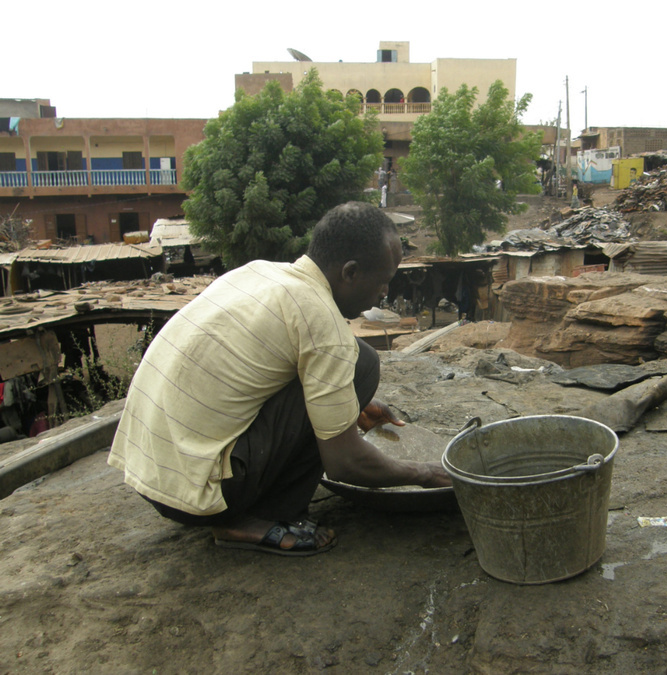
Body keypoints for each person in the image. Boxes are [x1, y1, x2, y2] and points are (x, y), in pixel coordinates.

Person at [108, 202, 450, 556]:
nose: (384, 294)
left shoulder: (260, 272)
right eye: (382, 282)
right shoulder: (320, 320)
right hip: (205, 496)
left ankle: (240, 500)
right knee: (360, 365)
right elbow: (344, 463)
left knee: (356, 359)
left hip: (151, 473)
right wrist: (425, 474)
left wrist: (348, 405)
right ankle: (256, 517)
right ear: (349, 272)